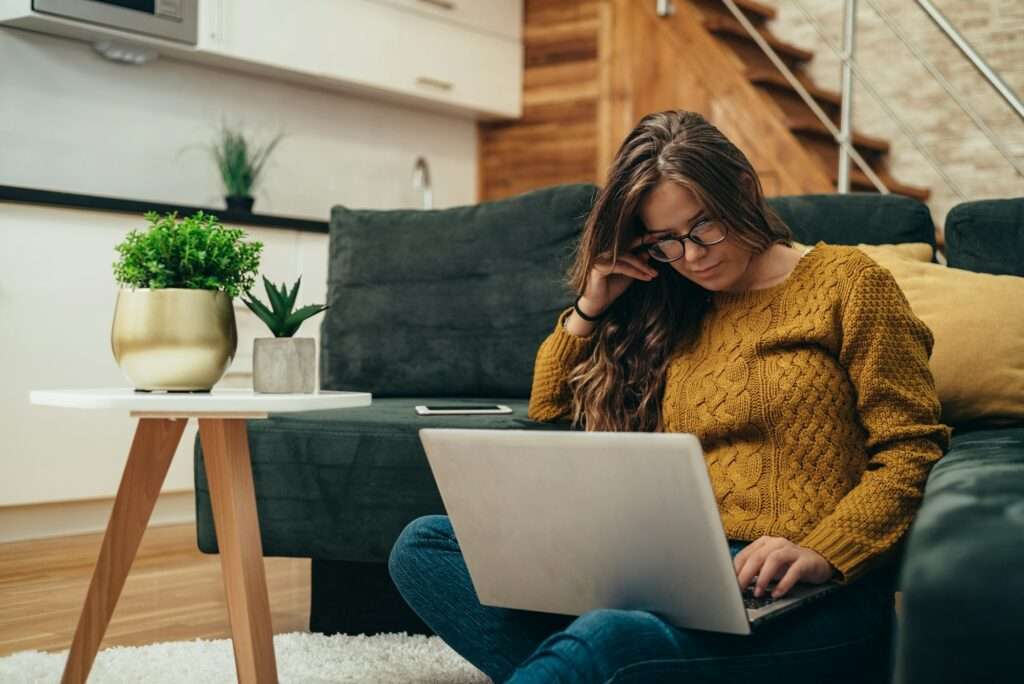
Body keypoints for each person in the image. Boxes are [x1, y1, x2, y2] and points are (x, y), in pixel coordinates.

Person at [388, 110, 950, 683]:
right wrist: (592, 305)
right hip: (680, 577)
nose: (693, 255)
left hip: (809, 593)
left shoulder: (850, 283)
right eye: (665, 242)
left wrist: (826, 551)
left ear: (743, 191)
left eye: (703, 226)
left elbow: (912, 451)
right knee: (425, 546)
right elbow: (549, 407)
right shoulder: (674, 305)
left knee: (606, 640)